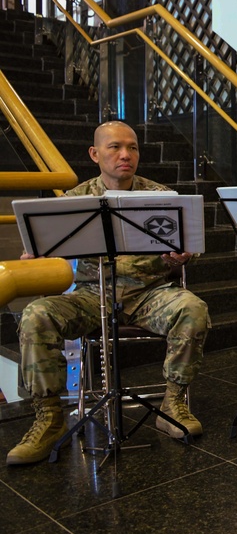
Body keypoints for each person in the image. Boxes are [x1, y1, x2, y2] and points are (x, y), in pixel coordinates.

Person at [7, 121, 209, 466]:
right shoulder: (74, 199)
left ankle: (173, 402)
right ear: (95, 153)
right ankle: (49, 419)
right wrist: (37, 254)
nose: (125, 155)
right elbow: (50, 251)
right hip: (90, 294)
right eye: (115, 147)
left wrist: (180, 255)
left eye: (132, 147)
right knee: (36, 314)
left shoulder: (160, 196)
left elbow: (187, 248)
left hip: (148, 294)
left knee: (193, 308)